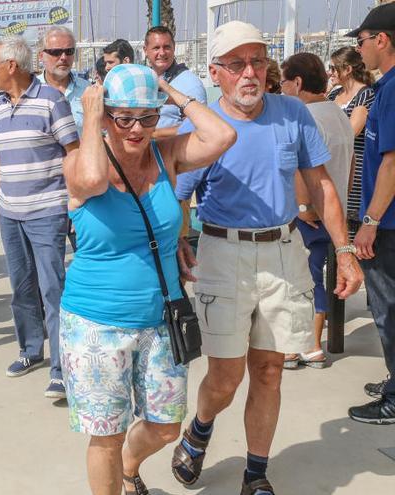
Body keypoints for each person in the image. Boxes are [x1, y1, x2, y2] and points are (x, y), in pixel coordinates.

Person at [170, 22, 363, 495]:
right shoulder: (202, 126)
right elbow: (177, 195)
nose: (250, 73)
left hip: (282, 251)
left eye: (257, 61)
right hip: (221, 253)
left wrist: (345, 251)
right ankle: (200, 428)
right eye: (237, 64)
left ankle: (256, 474)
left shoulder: (293, 113)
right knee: (226, 375)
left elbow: (320, 184)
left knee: (270, 369)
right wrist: (178, 241)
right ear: (216, 73)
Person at [61, 63, 235, 495]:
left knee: (165, 427)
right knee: (105, 435)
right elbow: (92, 179)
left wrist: (168, 90)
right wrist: (91, 116)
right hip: (95, 324)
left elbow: (223, 136)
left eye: (147, 117)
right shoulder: (77, 162)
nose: (137, 129)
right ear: (105, 116)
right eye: (124, 117)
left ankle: (127, 466)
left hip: (161, 318)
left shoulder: (167, 154)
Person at [0, 35, 79, 399]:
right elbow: (0, 163)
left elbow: (73, 153)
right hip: (11, 215)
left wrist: (74, 205)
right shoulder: (0, 109)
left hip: (47, 212)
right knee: (21, 290)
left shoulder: (52, 101)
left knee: (53, 290)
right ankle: (31, 350)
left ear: (11, 66)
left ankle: (62, 369)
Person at [280, 53, 355, 370]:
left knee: (299, 281)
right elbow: (350, 166)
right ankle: (312, 342)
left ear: (297, 83)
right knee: (317, 279)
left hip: (309, 214)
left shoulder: (304, 117)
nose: (281, 88)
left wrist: (301, 209)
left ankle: (306, 345)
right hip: (334, 211)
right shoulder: (339, 114)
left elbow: (301, 171)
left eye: (284, 81)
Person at [347, 2, 395, 425]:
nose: (359, 50)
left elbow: (392, 162)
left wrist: (370, 221)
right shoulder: (386, 87)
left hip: (389, 224)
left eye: (361, 41)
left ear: (382, 40)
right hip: (386, 220)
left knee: (388, 309)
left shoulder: (394, 88)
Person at [328, 46, 377, 235]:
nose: (330, 72)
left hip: (355, 171)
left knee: (349, 231)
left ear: (347, 69)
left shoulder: (365, 95)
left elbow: (350, 132)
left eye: (334, 68)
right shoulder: (333, 95)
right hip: (335, 169)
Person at [143, 26, 208, 137]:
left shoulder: (191, 84)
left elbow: (198, 126)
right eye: (156, 48)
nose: (162, 52)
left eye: (167, 47)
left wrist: (152, 135)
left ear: (174, 48)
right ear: (145, 50)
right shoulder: (142, 79)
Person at [37, 26, 90, 134]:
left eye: (69, 51)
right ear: (41, 56)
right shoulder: (30, 91)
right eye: (56, 52)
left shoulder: (88, 90)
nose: (64, 57)